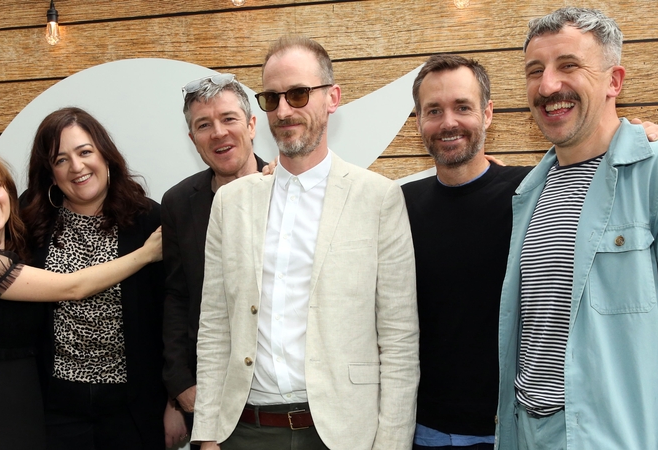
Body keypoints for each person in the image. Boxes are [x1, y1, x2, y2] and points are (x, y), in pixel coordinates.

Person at [496, 7, 658, 449]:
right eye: (534, 71)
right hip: (527, 432)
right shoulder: (530, 192)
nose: (548, 84)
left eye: (568, 65)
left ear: (614, 81)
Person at [191, 36, 420, 450]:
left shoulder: (378, 198)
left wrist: (391, 444)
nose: (284, 110)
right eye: (272, 98)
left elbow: (400, 340)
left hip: (343, 434)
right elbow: (214, 327)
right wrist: (206, 435)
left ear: (332, 98)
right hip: (244, 431)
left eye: (298, 94)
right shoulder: (231, 202)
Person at [0, 153, 163, 450]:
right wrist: (146, 254)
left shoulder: (22, 255)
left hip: (26, 402)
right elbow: (73, 287)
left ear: (10, 196)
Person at [20, 107, 181, 449]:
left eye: (84, 152)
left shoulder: (148, 219)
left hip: (135, 406)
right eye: (60, 159)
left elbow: (173, 314)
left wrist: (175, 402)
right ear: (50, 173)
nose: (76, 167)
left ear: (105, 154)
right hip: (54, 409)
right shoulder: (29, 222)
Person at [402, 55, 531, 450]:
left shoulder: (532, 191)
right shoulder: (396, 206)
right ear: (419, 122)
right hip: (423, 429)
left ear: (488, 113)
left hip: (509, 428)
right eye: (434, 111)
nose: (448, 123)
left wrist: (643, 135)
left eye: (463, 107)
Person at [161, 73, 268, 449]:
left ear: (252, 125)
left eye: (229, 119)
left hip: (277, 393)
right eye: (203, 125)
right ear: (193, 139)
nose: (218, 132)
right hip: (208, 393)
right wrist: (180, 384)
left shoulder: (288, 188)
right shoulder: (177, 203)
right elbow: (176, 295)